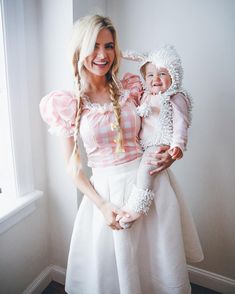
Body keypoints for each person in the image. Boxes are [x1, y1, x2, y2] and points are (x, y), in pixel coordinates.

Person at [40, 15, 203, 294]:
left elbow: (162, 123)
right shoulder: (68, 103)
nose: (103, 55)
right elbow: (72, 168)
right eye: (95, 45)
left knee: (157, 267)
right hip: (108, 196)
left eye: (110, 45)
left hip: (152, 186)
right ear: (80, 49)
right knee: (118, 274)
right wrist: (102, 206)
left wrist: (173, 154)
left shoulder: (130, 86)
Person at [117, 45, 194, 228]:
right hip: (143, 144)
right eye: (151, 75)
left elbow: (181, 124)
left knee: (146, 169)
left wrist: (177, 146)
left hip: (159, 143)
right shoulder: (145, 96)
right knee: (139, 169)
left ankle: (138, 206)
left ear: (174, 76)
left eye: (162, 74)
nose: (156, 79)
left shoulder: (174, 98)